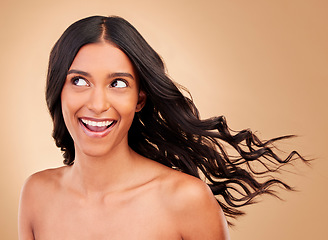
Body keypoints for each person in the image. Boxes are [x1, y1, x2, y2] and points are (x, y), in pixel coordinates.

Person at [18, 15, 304, 240]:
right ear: (59, 91)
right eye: (79, 81)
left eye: (118, 83)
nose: (97, 104)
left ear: (139, 99)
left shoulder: (185, 199)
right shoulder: (36, 194)